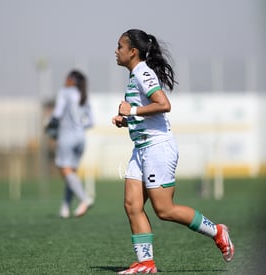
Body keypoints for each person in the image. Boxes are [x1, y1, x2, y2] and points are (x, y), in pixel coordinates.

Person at [111, 29, 234, 274]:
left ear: (132, 52)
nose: (116, 51)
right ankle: (146, 263)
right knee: (132, 205)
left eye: (120, 47)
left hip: (157, 148)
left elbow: (164, 105)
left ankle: (217, 231)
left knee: (164, 210)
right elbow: (144, 112)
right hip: (141, 149)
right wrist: (127, 120)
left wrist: (132, 112)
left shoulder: (143, 73)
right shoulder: (134, 75)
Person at [45, 70, 94, 218]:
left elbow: (58, 113)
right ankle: (65, 208)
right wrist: (79, 129)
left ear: (72, 80)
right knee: (70, 174)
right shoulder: (83, 95)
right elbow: (91, 122)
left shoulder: (65, 92)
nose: (65, 80)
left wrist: (49, 126)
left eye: (67, 77)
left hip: (67, 137)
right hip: (81, 138)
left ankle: (85, 199)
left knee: (64, 170)